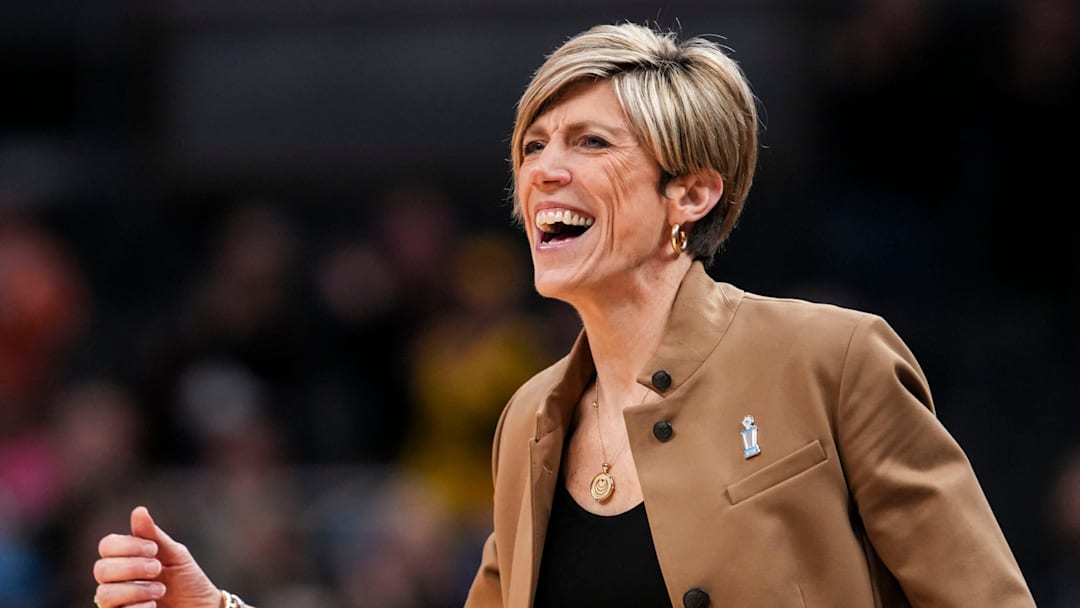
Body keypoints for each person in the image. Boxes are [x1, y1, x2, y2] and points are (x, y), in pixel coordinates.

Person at [92, 21, 1035, 608]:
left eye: (589, 142)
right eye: (533, 144)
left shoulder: (832, 358)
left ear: (691, 193)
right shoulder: (529, 425)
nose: (543, 170)